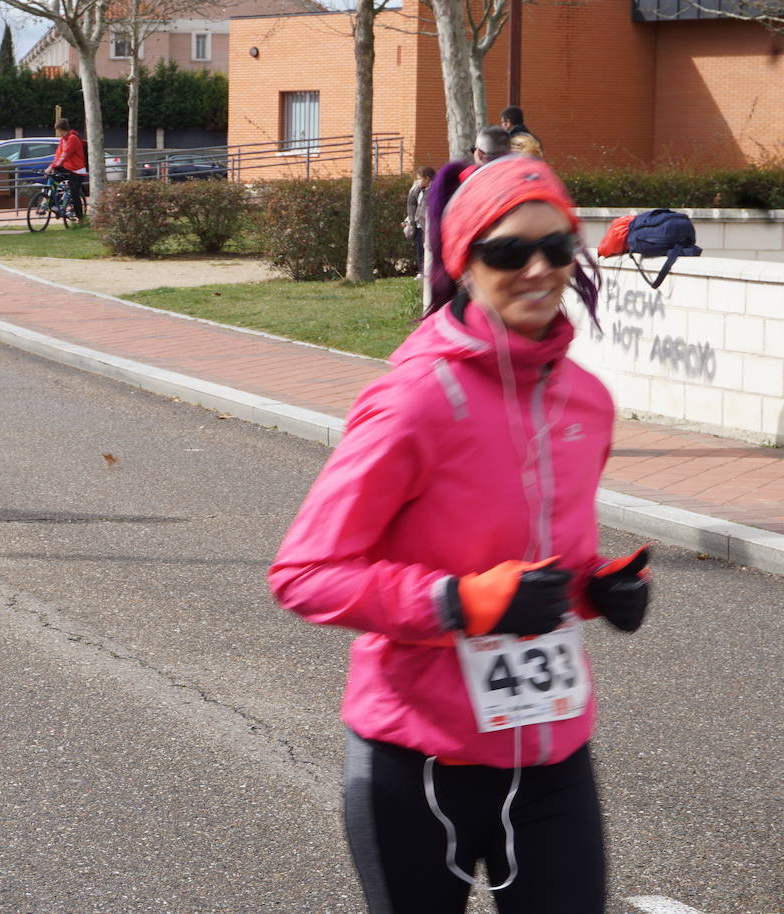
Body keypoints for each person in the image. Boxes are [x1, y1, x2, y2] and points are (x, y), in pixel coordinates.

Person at [269, 155, 651, 914]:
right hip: (418, 759)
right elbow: (305, 572)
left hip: (551, 752)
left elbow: (534, 555)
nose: (538, 268)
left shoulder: (589, 401)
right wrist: (462, 602)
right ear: (464, 262)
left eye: (557, 247)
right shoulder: (414, 400)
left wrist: (595, 585)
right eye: (509, 251)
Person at [44, 119, 87, 221]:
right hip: (68, 168)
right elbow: (58, 155)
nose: (58, 133)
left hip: (77, 170)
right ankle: (54, 205)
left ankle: (80, 218)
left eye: (58, 131)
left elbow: (65, 155)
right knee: (54, 178)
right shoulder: (63, 140)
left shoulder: (72, 139)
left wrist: (52, 166)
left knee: (74, 193)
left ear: (62, 129)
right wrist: (52, 167)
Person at [404, 165, 435, 278]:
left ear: (427, 179)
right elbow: (414, 206)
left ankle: (430, 271)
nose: (418, 181)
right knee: (419, 249)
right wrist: (409, 219)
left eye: (420, 178)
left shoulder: (434, 191)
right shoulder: (418, 191)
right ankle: (421, 272)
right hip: (418, 224)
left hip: (429, 225)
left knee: (430, 249)